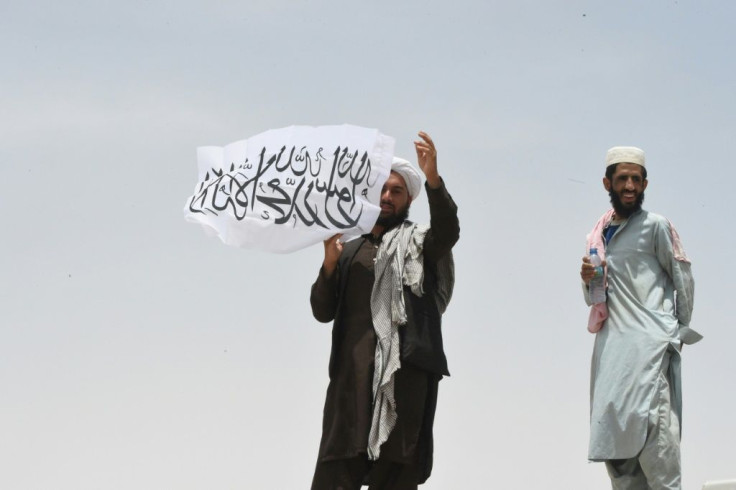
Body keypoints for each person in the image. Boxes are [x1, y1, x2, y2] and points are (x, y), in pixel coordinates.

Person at [309, 131, 459, 490]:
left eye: (397, 191)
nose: (387, 197)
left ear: (408, 199)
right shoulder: (348, 250)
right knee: (335, 473)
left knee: (396, 475)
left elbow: (448, 231)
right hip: (352, 384)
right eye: (382, 189)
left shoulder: (421, 245)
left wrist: (433, 180)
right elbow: (321, 310)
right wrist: (329, 265)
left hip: (404, 382)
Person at [580, 146, 702, 489]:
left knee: (660, 459)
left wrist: (673, 331)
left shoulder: (656, 227)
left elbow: (684, 279)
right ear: (608, 183)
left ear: (645, 184)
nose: (630, 185)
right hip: (612, 365)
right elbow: (595, 300)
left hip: (650, 360)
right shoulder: (598, 236)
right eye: (623, 179)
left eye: (637, 179)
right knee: (622, 469)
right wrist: (588, 279)